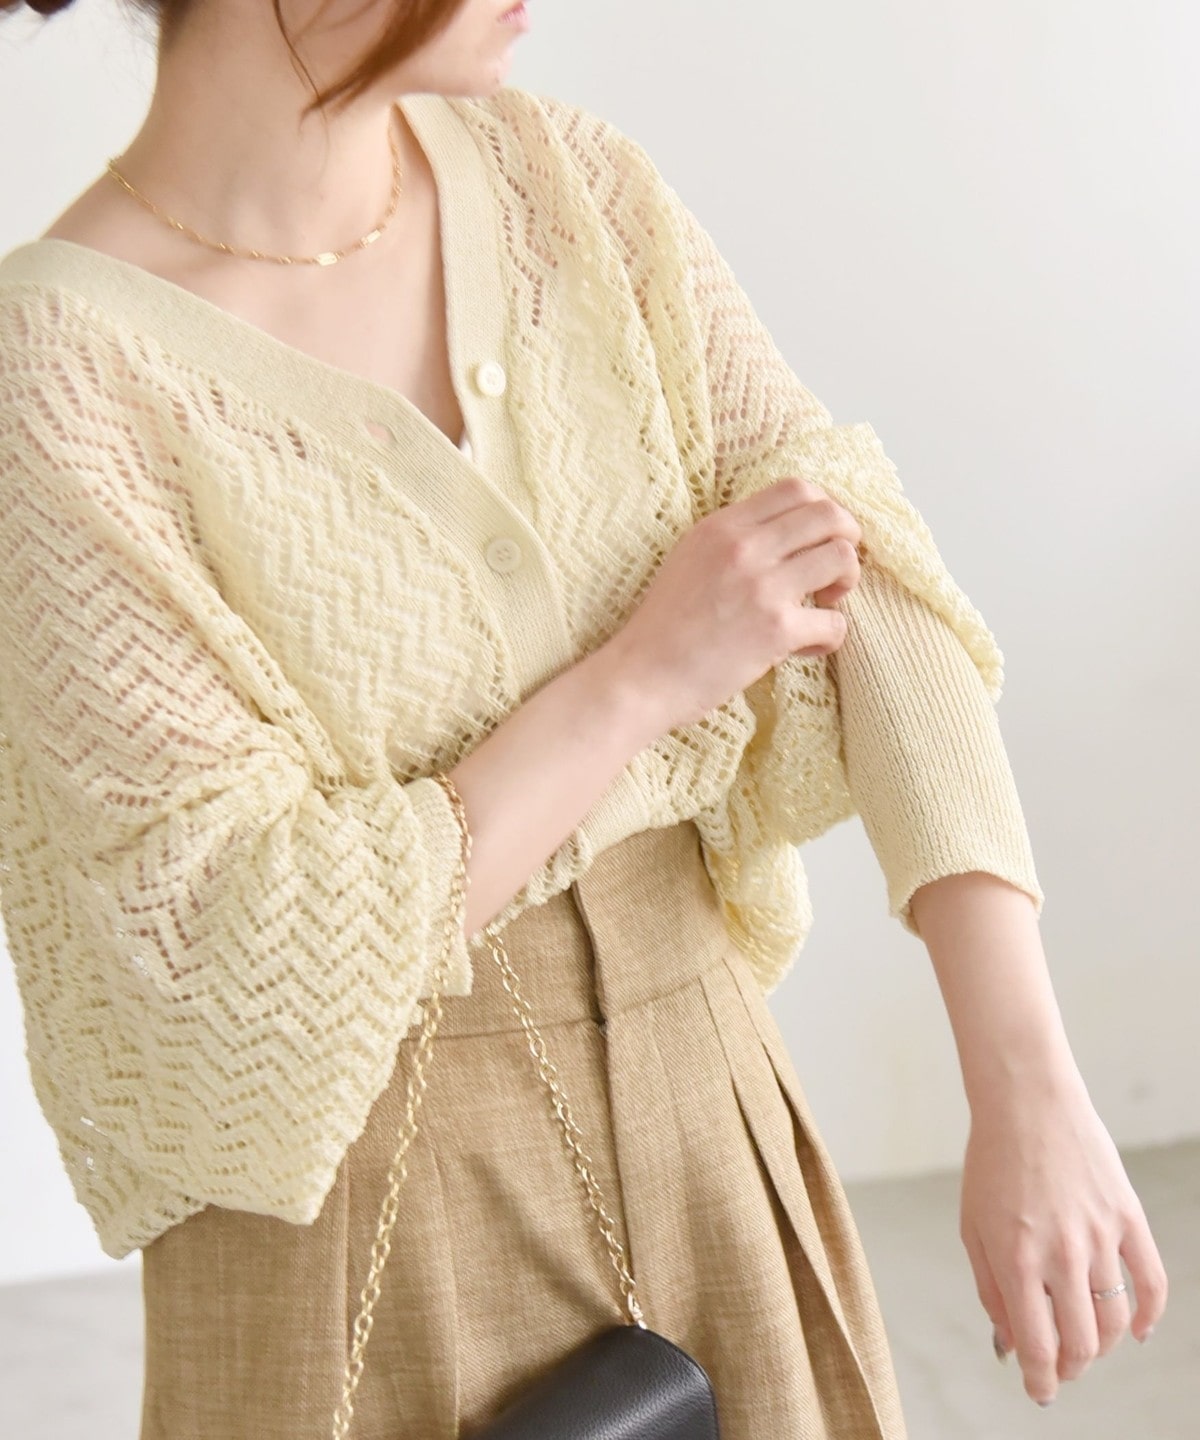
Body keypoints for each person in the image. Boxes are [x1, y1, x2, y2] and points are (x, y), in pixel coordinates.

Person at [0, 0, 1168, 1436]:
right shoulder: (60, 373)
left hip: (709, 1120)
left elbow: (867, 581)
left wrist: (1026, 1084)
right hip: (349, 1234)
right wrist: (638, 683)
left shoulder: (570, 188)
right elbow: (225, 958)